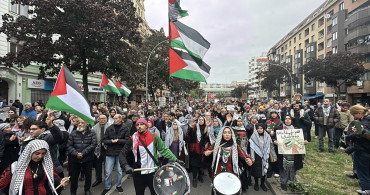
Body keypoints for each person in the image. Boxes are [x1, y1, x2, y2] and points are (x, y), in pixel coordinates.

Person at [119, 118, 184, 195]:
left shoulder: (154, 137)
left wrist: (175, 160)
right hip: (138, 172)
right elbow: (122, 153)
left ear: (146, 126)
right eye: (137, 125)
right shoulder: (133, 139)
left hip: (153, 173)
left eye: (142, 124)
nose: (139, 126)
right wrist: (125, 165)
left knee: (155, 193)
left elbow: (164, 150)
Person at [0, 140, 70, 195]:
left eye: (43, 153)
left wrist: (60, 181)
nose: (40, 156)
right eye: (37, 153)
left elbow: (52, 180)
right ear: (30, 152)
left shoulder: (47, 165)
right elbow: (2, 186)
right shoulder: (15, 167)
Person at [204, 126, 253, 193]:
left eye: (229, 133)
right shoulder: (216, 145)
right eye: (225, 133)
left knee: (229, 191)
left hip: (231, 174)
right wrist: (206, 153)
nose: (227, 134)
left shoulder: (235, 146)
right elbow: (207, 152)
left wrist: (248, 160)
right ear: (222, 134)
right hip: (218, 173)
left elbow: (245, 156)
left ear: (231, 135)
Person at [273, 115, 305, 191]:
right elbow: (274, 138)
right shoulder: (279, 130)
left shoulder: (297, 130)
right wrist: (275, 141)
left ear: (291, 120)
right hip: (283, 153)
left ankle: (292, 182)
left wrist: (303, 142)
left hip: (294, 153)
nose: (287, 120)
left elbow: (300, 140)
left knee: (293, 168)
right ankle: (283, 183)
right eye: (286, 119)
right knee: (283, 168)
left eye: (289, 119)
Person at [102, 114, 130, 195]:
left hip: (120, 152)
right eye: (114, 118)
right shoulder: (109, 128)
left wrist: (119, 140)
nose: (115, 120)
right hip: (110, 152)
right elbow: (104, 140)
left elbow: (127, 140)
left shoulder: (125, 128)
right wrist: (111, 141)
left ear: (121, 119)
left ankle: (119, 185)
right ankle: (107, 187)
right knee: (108, 171)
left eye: (117, 118)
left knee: (119, 171)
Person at [67, 118, 97, 195]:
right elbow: (69, 146)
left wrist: (83, 153)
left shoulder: (92, 133)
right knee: (74, 177)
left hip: (87, 159)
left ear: (87, 124)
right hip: (75, 159)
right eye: (79, 122)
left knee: (88, 176)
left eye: (82, 123)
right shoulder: (73, 133)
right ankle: (73, 192)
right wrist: (76, 153)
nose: (80, 124)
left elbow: (93, 144)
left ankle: (87, 190)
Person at [345, 105, 370, 194]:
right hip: (364, 149)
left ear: (359, 113)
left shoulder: (365, 122)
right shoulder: (363, 120)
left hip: (363, 150)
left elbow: (362, 134)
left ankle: (366, 190)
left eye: (354, 115)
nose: (354, 117)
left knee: (363, 173)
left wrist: (354, 133)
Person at [249, 123, 277, 191]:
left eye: (261, 128)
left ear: (263, 129)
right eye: (258, 128)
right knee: (256, 170)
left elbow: (271, 147)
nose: (259, 130)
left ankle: (262, 183)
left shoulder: (267, 136)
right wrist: (252, 158)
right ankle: (256, 183)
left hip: (265, 155)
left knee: (264, 170)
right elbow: (252, 148)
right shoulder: (253, 136)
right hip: (257, 155)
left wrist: (274, 156)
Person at [186, 116, 209, 187]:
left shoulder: (206, 127)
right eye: (200, 120)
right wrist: (191, 127)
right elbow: (188, 135)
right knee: (194, 164)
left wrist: (207, 143)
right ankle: (194, 178)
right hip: (194, 148)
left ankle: (199, 176)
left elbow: (206, 137)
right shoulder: (194, 127)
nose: (201, 121)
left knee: (200, 163)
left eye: (202, 120)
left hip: (202, 148)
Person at [91, 114, 109, 188]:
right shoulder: (94, 128)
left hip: (107, 149)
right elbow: (92, 137)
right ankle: (98, 179)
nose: (102, 120)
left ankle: (107, 180)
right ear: (98, 119)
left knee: (107, 166)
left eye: (103, 118)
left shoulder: (110, 127)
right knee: (98, 166)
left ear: (106, 119)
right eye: (100, 119)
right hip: (97, 149)